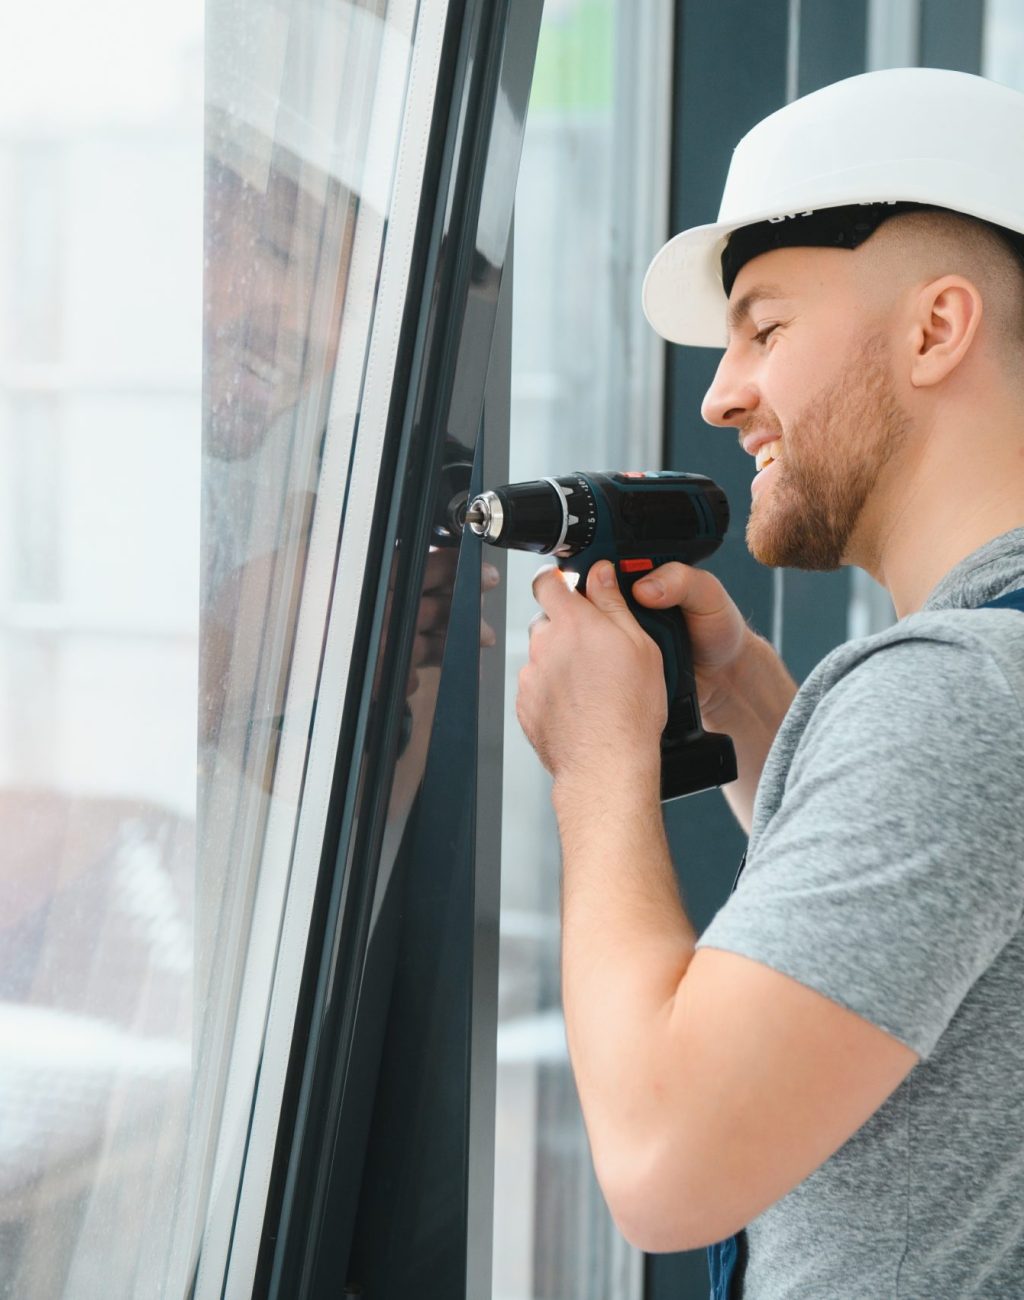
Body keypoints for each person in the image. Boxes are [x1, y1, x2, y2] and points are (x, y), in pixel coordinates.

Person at [514, 66, 1024, 1298]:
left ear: (934, 328)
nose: (720, 392)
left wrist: (599, 771)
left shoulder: (956, 697)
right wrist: (742, 695)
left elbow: (662, 1157)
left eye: (767, 326)